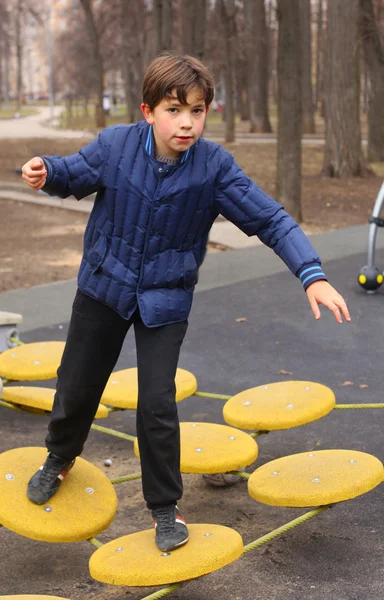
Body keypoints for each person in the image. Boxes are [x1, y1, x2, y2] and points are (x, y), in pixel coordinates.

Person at [21, 54, 351, 553]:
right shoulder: (115, 146)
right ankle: (59, 458)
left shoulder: (213, 168)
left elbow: (271, 220)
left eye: (197, 111)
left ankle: (163, 508)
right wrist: (46, 172)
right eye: (175, 110)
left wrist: (312, 274)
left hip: (164, 298)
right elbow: (75, 172)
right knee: (77, 386)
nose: (187, 123)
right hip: (103, 287)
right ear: (148, 110)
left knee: (157, 404)